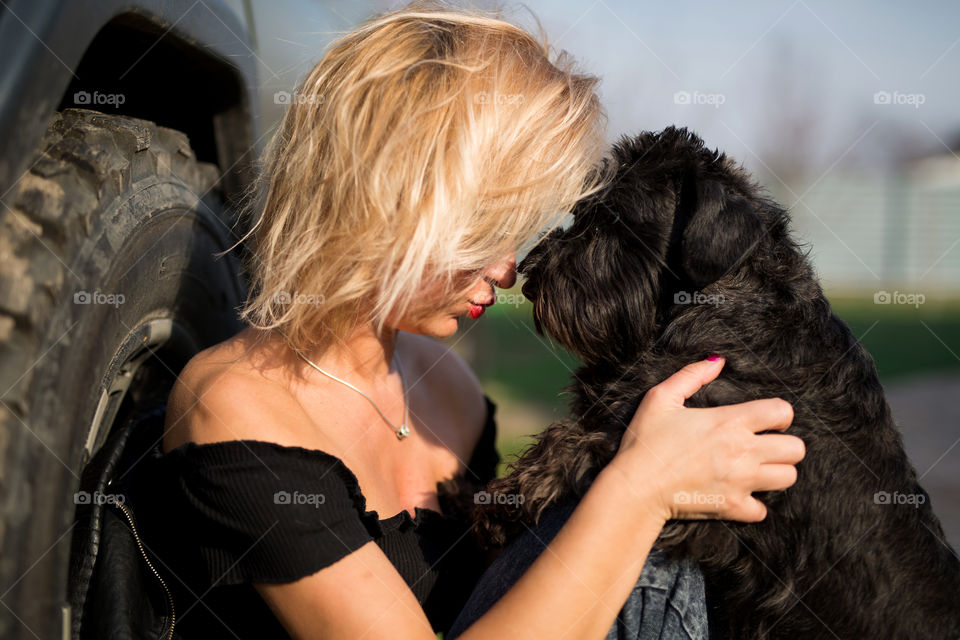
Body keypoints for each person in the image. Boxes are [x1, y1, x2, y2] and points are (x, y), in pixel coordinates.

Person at [136, 3, 805, 639]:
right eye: (487, 230)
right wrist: (640, 488)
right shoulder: (239, 409)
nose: (509, 272)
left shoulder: (446, 387)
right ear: (392, 201)